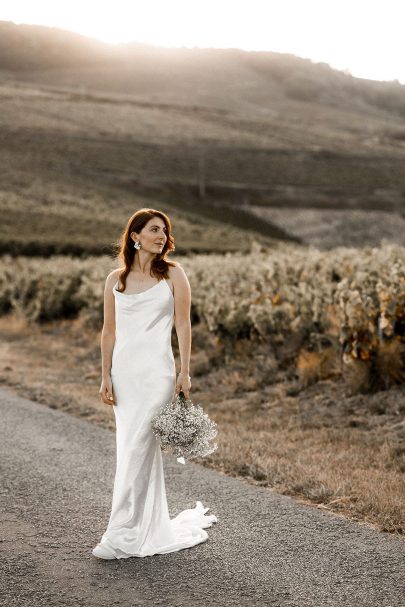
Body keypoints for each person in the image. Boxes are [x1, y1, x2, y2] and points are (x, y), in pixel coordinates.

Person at [92, 208, 217, 559]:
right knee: (131, 448)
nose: (161, 236)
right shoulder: (115, 279)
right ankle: (142, 527)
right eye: (153, 230)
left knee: (138, 447)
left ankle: (120, 532)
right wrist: (105, 375)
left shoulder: (174, 275)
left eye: (164, 230)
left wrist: (184, 372)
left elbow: (183, 326)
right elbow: (109, 331)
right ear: (135, 236)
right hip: (125, 374)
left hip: (158, 373)